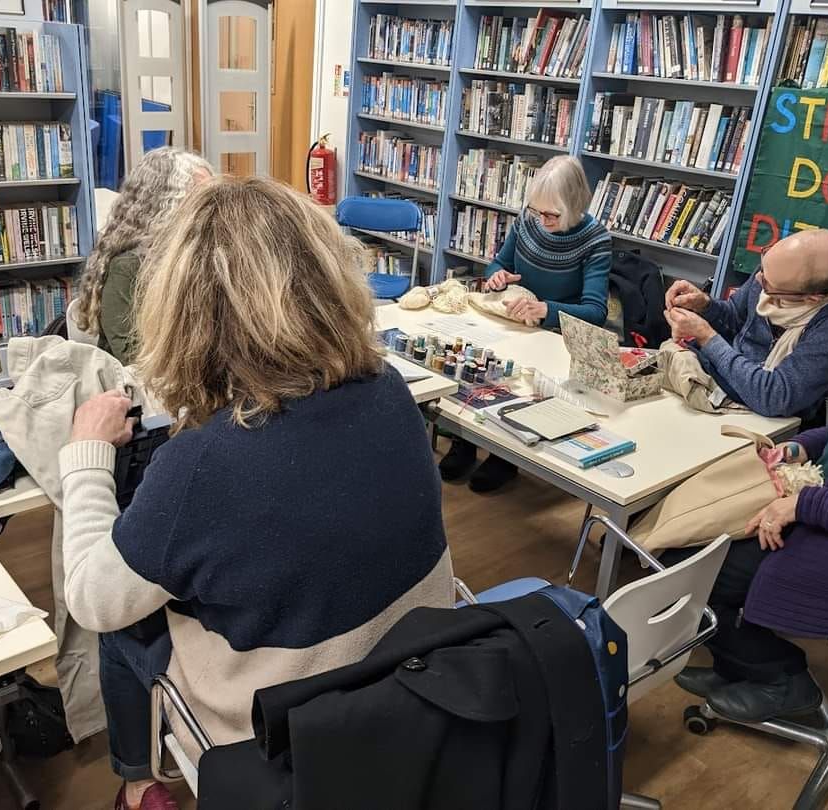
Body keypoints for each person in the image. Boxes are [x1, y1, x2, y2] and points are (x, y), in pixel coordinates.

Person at [58, 176, 454, 810]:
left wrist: (86, 454)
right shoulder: (391, 390)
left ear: (183, 311)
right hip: (413, 678)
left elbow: (92, 600)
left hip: (285, 724)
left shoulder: (200, 466)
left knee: (122, 617)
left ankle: (140, 785)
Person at [670, 190, 828, 723]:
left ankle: (783, 681)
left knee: (698, 566)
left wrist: (806, 505)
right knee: (697, 540)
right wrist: (802, 446)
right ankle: (739, 665)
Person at [440, 155, 612, 492]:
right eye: (537, 211)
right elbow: (497, 266)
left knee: (517, 383)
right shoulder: (527, 222)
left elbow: (595, 312)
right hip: (510, 324)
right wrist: (497, 278)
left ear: (575, 205)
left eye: (552, 214)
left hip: (551, 336)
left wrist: (544, 309)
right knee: (472, 365)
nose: (542, 220)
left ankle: (505, 457)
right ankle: (464, 441)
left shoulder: (595, 241)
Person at [663, 228, 828, 419]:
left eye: (768, 286)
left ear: (812, 298)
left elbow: (776, 397)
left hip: (767, 419)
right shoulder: (778, 265)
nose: (759, 279)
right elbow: (735, 318)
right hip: (718, 385)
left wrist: (706, 337)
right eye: (763, 266)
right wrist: (705, 305)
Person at [74, 147, 214, 365]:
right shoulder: (127, 266)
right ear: (165, 204)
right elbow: (132, 356)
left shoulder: (201, 256)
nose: (210, 208)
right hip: (140, 387)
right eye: (199, 198)